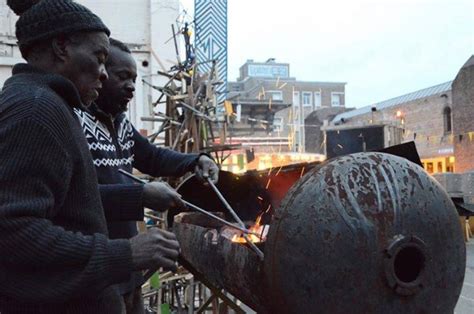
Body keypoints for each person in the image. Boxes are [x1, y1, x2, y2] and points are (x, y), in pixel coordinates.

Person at [0, 1, 179, 313]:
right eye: (99, 59)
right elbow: (14, 230)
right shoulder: (36, 110)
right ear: (61, 47)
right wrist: (124, 254)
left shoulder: (53, 105)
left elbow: (68, 201)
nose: (103, 75)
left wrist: (140, 195)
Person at [75, 38, 219, 313]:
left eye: (134, 79)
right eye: (123, 77)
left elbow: (153, 157)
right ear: (101, 75)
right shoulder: (75, 122)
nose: (131, 86)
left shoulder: (120, 123)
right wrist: (141, 195)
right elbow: (77, 197)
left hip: (129, 255)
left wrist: (195, 160)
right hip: (96, 260)